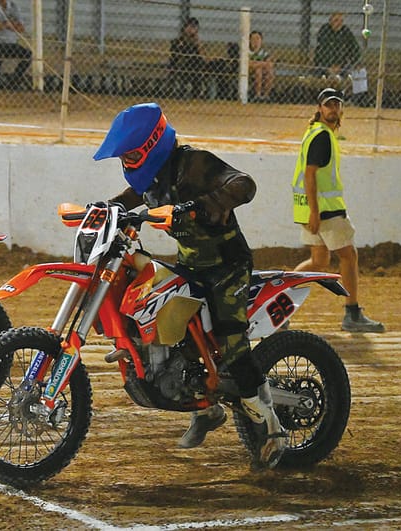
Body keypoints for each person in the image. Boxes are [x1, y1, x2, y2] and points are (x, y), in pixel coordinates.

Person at [93, 102, 288, 470]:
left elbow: (244, 184)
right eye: (126, 156)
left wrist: (206, 204)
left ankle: (274, 429)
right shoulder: (150, 180)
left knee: (231, 345)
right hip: (191, 265)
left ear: (154, 144)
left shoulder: (194, 164)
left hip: (227, 267)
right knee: (170, 330)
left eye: (134, 153)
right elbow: (130, 199)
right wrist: (106, 209)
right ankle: (204, 406)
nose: (130, 161)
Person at [292, 88, 385, 333]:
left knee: (319, 260)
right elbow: (310, 175)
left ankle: (277, 305)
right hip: (324, 212)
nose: (333, 109)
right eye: (328, 105)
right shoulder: (322, 136)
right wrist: (315, 212)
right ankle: (352, 313)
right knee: (349, 255)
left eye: (336, 104)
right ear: (320, 109)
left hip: (311, 211)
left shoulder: (313, 132)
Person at [0, 0, 32, 90]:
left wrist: (6, 24)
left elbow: (21, 28)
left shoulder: (13, 7)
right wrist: (9, 23)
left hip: (11, 44)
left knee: (28, 54)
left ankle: (15, 78)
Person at [168, 17, 207, 99]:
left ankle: (197, 92)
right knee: (184, 64)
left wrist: (198, 44)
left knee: (199, 66)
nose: (191, 29)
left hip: (195, 67)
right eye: (189, 26)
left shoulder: (197, 42)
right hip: (181, 66)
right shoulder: (178, 41)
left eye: (194, 27)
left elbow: (204, 57)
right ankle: (182, 90)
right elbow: (174, 56)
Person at [314, 12, 360, 78]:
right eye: (336, 20)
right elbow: (322, 51)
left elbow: (355, 48)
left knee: (353, 71)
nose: (339, 23)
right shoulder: (325, 30)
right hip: (325, 64)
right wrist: (329, 67)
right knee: (318, 70)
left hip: (342, 65)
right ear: (330, 21)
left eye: (341, 21)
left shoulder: (345, 31)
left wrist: (341, 65)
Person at [248, 30, 275, 101]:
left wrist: (256, 63)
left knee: (270, 73)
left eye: (257, 38)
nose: (255, 41)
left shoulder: (264, 53)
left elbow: (270, 64)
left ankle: (266, 95)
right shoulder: (247, 52)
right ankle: (257, 95)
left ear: (261, 40)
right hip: (250, 72)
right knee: (258, 71)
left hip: (263, 71)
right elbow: (248, 65)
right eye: (253, 39)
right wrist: (262, 63)